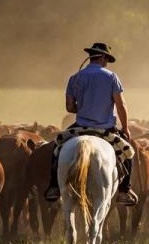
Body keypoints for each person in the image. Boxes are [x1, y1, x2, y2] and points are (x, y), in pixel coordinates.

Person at [44, 42, 138, 205]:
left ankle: (54, 186)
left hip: (80, 127)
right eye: (107, 59)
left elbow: (70, 106)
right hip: (105, 128)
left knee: (57, 148)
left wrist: (86, 106)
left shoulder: (75, 78)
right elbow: (121, 105)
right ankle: (124, 191)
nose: (106, 62)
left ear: (91, 57)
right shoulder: (111, 77)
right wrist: (126, 129)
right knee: (128, 152)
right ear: (102, 57)